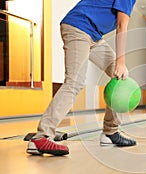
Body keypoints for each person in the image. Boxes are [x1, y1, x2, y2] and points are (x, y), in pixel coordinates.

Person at [26, 0, 137, 156]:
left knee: (121, 78)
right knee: (75, 82)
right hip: (79, 27)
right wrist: (121, 61)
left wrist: (120, 64)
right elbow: (121, 26)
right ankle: (42, 137)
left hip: (94, 35)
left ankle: (110, 132)